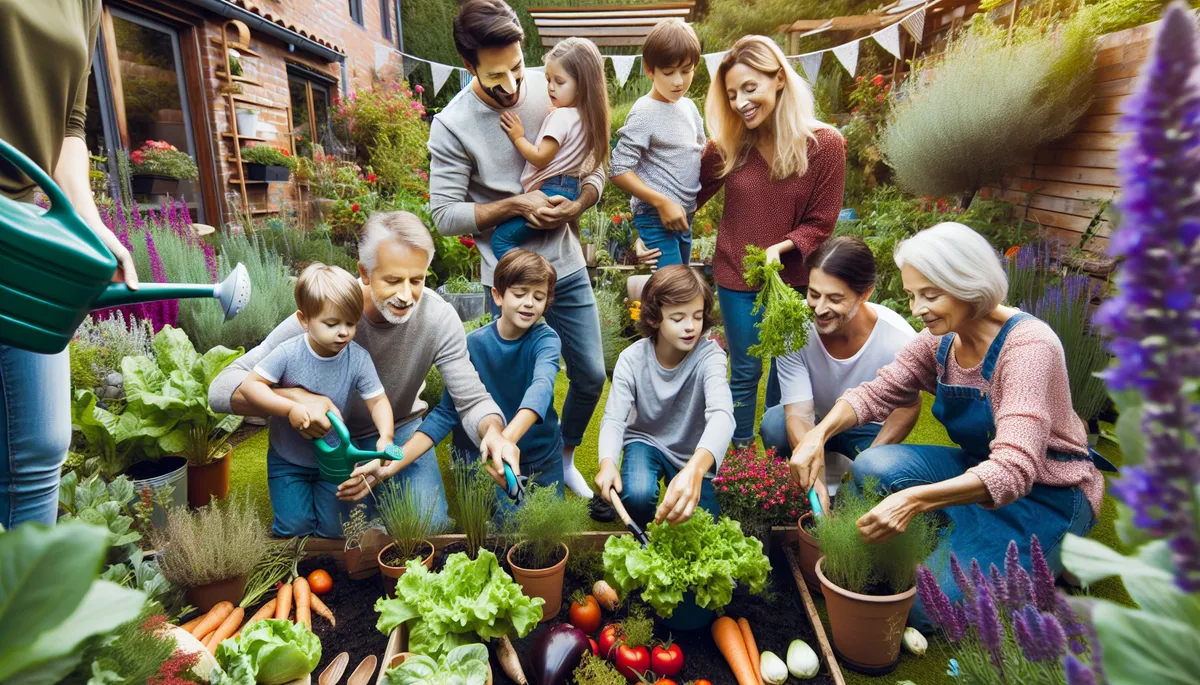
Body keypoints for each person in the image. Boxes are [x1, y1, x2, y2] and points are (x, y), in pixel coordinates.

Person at [788, 222, 1113, 630]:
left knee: (924, 605)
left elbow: (1014, 470)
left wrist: (913, 501)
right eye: (912, 295)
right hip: (977, 468)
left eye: (930, 295)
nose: (916, 309)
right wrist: (818, 435)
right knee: (874, 466)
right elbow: (877, 392)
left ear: (967, 284)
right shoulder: (940, 341)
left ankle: (1064, 549)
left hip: (1047, 494)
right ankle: (957, 528)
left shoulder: (1029, 348)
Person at [210, 212, 519, 536]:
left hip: (396, 428)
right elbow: (221, 389)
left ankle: (380, 501)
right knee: (341, 531)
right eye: (393, 280)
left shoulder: (438, 319)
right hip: (329, 439)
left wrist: (494, 433)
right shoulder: (329, 311)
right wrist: (297, 398)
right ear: (365, 273)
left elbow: (471, 400)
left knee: (427, 526)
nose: (405, 295)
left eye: (416, 280)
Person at [429, 0, 612, 520]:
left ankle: (565, 455)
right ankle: (504, 467)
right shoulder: (452, 125)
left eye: (516, 67)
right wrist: (515, 205)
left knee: (591, 374)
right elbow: (444, 214)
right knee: (508, 390)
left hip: (565, 266)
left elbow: (596, 158)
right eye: (496, 76)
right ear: (468, 65)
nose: (513, 85)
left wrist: (581, 201)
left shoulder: (554, 85)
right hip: (509, 279)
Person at [0, 0, 141, 528]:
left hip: (19, 236)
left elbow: (69, 124)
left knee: (39, 449)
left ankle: (30, 584)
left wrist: (86, 223)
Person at [692, 35, 846, 447]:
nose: (741, 102)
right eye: (732, 95)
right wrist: (651, 209)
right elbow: (688, 196)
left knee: (787, 373)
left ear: (779, 78)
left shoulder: (825, 145)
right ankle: (739, 456)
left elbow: (821, 222)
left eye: (749, 88)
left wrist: (781, 247)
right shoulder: (729, 145)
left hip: (794, 280)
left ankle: (779, 458)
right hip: (737, 274)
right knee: (745, 370)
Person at [235, 264, 397, 537]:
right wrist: (290, 408)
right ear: (304, 320)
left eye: (351, 323)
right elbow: (250, 386)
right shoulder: (288, 353)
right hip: (288, 461)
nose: (343, 332)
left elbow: (378, 401)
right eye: (332, 324)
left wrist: (386, 436)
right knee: (293, 527)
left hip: (335, 461)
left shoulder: (357, 358)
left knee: (338, 530)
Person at [758, 237, 920, 495]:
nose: (820, 309)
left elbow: (907, 405)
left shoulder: (898, 339)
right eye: (814, 294)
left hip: (868, 428)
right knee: (774, 425)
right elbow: (798, 413)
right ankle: (800, 485)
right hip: (816, 417)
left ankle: (854, 472)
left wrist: (869, 463)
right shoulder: (793, 326)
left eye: (835, 298)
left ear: (865, 294)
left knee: (875, 472)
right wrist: (816, 484)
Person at [418, 250, 566, 522]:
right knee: (510, 525)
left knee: (552, 523)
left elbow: (541, 387)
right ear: (497, 296)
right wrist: (405, 454)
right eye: (519, 294)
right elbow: (448, 410)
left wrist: (505, 440)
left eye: (538, 297)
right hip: (489, 458)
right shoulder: (472, 344)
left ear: (547, 303)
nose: (529, 303)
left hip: (541, 454)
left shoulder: (546, 339)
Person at [595, 266, 735, 528]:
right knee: (637, 495)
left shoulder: (711, 357)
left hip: (693, 451)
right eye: (678, 318)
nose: (690, 327)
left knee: (703, 521)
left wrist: (695, 470)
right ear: (654, 319)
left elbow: (722, 415)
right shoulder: (631, 359)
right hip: (645, 441)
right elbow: (614, 419)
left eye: (697, 316)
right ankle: (644, 532)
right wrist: (607, 463)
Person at [493, 37, 609, 260]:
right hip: (570, 190)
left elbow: (540, 158)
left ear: (582, 85)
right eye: (548, 80)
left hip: (551, 191)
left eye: (559, 81)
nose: (551, 87)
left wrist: (518, 136)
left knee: (501, 239)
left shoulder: (561, 117)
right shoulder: (589, 118)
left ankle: (527, 276)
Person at [609, 19, 706, 270]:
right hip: (655, 215)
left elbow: (699, 155)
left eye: (686, 71)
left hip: (685, 216)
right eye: (668, 72)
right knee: (675, 287)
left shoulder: (689, 107)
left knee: (678, 284)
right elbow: (618, 169)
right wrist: (662, 202)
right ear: (649, 69)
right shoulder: (644, 111)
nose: (678, 81)